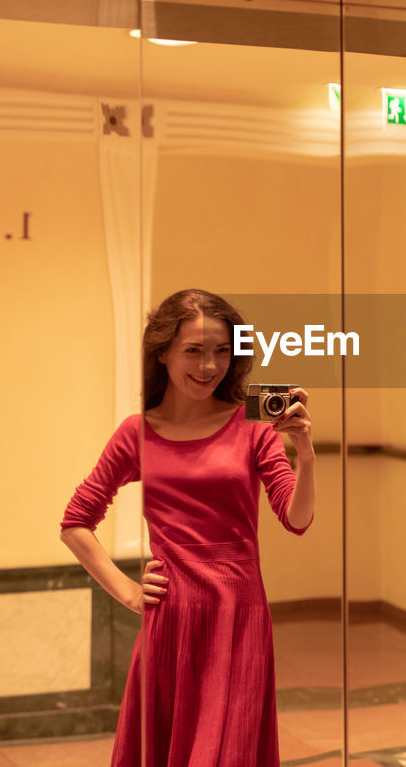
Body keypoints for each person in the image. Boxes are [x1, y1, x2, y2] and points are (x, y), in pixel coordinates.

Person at [59, 289, 315, 766]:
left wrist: (306, 454)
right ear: (163, 352)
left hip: (239, 612)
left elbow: (296, 519)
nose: (209, 365)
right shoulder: (136, 432)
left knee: (229, 749)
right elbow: (76, 522)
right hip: (172, 613)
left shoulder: (254, 426)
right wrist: (129, 592)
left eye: (222, 351)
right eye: (194, 350)